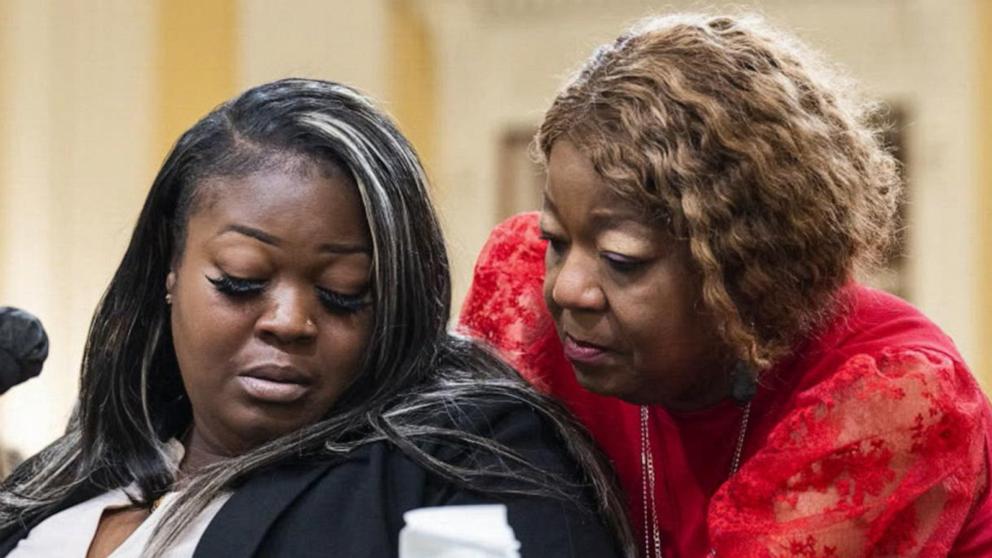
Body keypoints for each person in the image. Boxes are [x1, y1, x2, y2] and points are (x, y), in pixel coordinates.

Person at [0, 79, 633, 557]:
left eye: (343, 292)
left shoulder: (466, 456)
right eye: (241, 281)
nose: (289, 321)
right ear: (171, 267)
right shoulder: (71, 471)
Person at [459, 13, 992, 557]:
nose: (569, 289)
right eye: (558, 239)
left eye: (623, 259)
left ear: (749, 264)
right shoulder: (527, 301)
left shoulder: (890, 400)